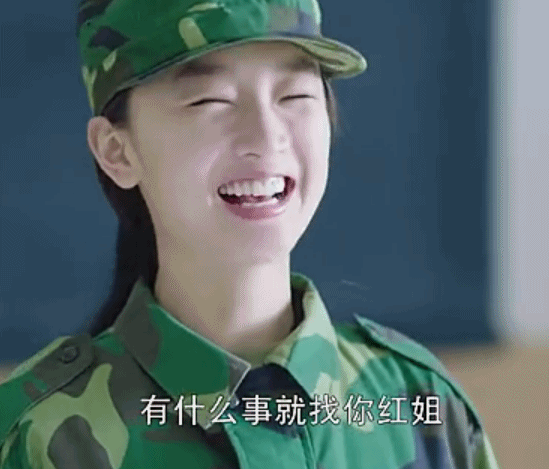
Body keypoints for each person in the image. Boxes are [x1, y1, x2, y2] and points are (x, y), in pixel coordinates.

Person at [0, 0, 500, 467]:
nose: (265, 136)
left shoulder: (420, 407)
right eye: (209, 100)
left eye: (295, 95)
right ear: (116, 150)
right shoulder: (42, 437)